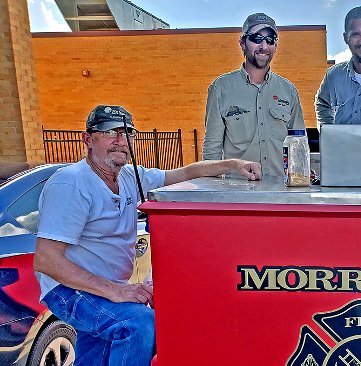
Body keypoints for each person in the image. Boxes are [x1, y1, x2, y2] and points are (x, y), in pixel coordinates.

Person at [33, 105, 261, 366]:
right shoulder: (71, 183)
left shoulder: (131, 176)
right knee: (138, 324)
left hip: (106, 287)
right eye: (110, 133)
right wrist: (116, 291)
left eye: (127, 133)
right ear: (88, 139)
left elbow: (187, 173)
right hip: (70, 289)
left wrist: (235, 164)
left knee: (97, 356)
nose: (121, 142)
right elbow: (46, 261)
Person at [202, 13, 305, 177]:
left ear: (275, 46)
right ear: (242, 43)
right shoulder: (220, 88)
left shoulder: (288, 90)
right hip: (237, 193)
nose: (264, 46)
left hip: (280, 193)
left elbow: (298, 146)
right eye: (257, 38)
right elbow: (211, 151)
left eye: (270, 40)